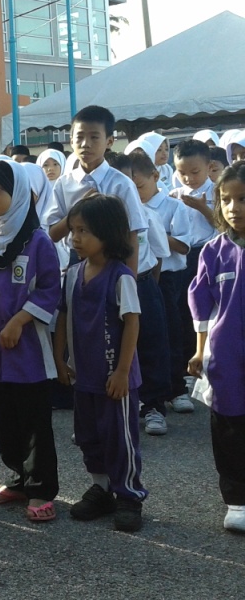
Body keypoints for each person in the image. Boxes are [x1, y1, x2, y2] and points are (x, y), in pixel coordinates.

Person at [0, 160, 62, 522]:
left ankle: (41, 489)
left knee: (35, 421)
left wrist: (20, 320)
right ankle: (18, 478)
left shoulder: (37, 241)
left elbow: (52, 288)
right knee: (4, 418)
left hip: (29, 352)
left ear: (18, 193)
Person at [54, 194, 146, 532]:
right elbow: (63, 317)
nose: (75, 238)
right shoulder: (73, 273)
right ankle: (102, 487)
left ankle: (129, 494)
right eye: (73, 230)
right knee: (88, 437)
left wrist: (123, 371)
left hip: (114, 380)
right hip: (85, 378)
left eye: (84, 231)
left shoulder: (121, 276)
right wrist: (60, 358)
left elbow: (132, 322)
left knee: (119, 439)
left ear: (107, 233)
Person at [188, 160, 245, 533]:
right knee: (229, 428)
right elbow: (202, 303)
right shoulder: (214, 250)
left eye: (242, 199)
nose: (233, 207)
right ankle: (237, 500)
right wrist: (199, 349)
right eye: (226, 199)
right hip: (226, 356)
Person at [123, 152, 194, 417]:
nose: (136, 191)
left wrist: (154, 230)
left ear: (155, 176)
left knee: (169, 335)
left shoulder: (172, 206)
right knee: (142, 338)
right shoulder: (127, 208)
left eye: (138, 185)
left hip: (164, 278)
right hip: (140, 278)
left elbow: (175, 248)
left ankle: (175, 389)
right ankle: (147, 396)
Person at [44, 106, 149, 275]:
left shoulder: (121, 184)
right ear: (71, 141)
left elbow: (131, 236)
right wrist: (78, 210)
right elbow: (53, 235)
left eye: (94, 137)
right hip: (77, 260)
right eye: (79, 137)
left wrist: (130, 280)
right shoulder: (64, 184)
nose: (86, 144)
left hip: (114, 261)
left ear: (109, 141)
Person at [171, 139, 219, 396]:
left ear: (209, 166)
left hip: (209, 255)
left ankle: (207, 362)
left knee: (205, 313)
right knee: (182, 312)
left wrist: (202, 207)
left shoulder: (218, 192)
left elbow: (225, 227)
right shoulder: (173, 193)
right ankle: (185, 369)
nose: (188, 178)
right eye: (182, 172)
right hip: (182, 257)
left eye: (195, 172)